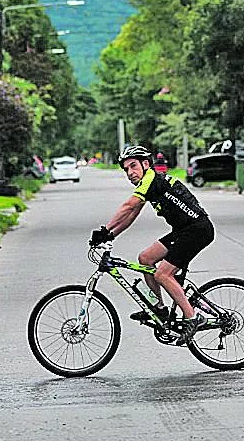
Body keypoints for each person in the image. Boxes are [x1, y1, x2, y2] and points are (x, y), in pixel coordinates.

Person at [90, 144, 215, 343]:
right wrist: (110, 236)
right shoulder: (148, 185)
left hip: (197, 230)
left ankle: (193, 317)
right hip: (183, 231)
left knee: (162, 274)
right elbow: (131, 215)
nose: (130, 173)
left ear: (146, 164)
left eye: (133, 166)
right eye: (126, 170)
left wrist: (105, 229)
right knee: (145, 259)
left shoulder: (151, 179)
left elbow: (128, 206)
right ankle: (159, 310)